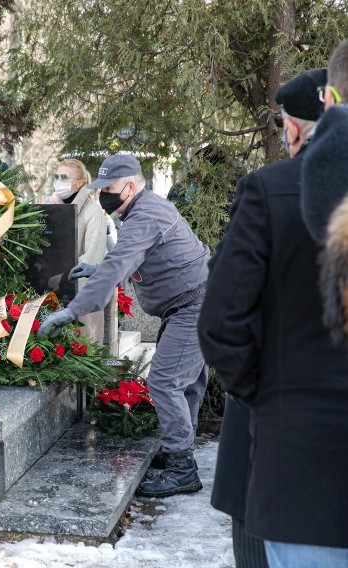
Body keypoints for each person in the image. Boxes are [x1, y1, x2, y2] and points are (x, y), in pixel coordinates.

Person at [200, 68, 328, 568]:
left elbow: (223, 315)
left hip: (276, 428)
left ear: (294, 130)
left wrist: (255, 390)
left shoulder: (269, 191)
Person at [38, 153, 210, 498]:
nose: (103, 194)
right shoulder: (139, 209)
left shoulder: (146, 214)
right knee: (185, 384)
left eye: (109, 188)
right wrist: (98, 269)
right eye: (99, 187)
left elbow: (121, 260)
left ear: (130, 186)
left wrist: (72, 312)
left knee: (165, 381)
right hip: (193, 304)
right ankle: (179, 453)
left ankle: (182, 469)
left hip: (195, 306)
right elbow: (136, 258)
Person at [48, 159, 108, 343]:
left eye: (64, 177)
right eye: (56, 176)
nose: (59, 181)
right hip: (51, 290)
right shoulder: (51, 208)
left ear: (80, 183)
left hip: (82, 293)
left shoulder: (93, 212)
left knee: (83, 346)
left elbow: (92, 257)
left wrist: (58, 274)